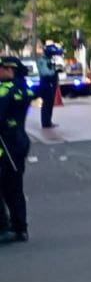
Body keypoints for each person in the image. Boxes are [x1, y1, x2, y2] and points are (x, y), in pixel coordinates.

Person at [0, 56, 34, 242]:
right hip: (16, 142)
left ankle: (8, 228)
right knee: (13, 188)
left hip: (7, 144)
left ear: (9, 70)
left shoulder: (7, 89)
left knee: (9, 188)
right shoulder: (22, 87)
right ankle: (18, 227)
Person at [35, 43, 61, 129]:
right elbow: (45, 72)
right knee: (46, 104)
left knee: (50, 103)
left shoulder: (49, 60)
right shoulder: (42, 60)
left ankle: (48, 121)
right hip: (45, 84)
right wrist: (54, 71)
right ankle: (45, 123)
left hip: (50, 84)